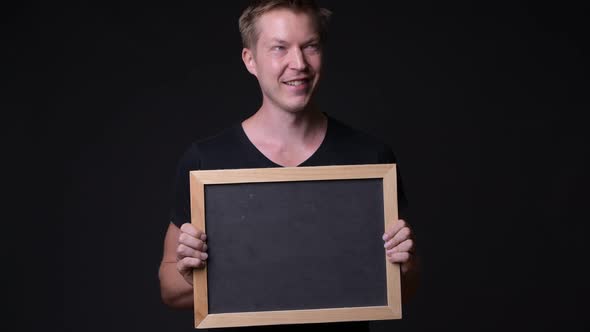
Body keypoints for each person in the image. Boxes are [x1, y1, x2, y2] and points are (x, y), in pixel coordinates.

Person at [158, 0, 419, 330]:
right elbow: (169, 288)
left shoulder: (370, 156)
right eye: (279, 48)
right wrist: (190, 274)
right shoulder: (206, 160)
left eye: (310, 46)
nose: (298, 63)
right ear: (250, 60)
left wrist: (404, 267)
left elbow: (402, 288)